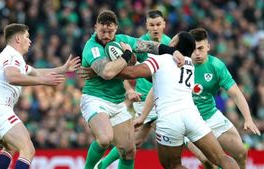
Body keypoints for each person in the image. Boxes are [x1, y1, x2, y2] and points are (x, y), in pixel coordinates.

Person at [119, 31, 240, 169]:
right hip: (192, 116)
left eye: (173, 39)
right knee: (221, 157)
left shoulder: (161, 59)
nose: (169, 41)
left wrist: (126, 55)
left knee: (172, 165)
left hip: (169, 119)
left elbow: (132, 73)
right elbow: (158, 82)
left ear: (175, 44)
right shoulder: (189, 64)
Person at [79, 10, 184, 169]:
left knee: (129, 151)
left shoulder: (122, 39)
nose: (106, 35)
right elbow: (107, 73)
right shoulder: (92, 46)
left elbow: (150, 46)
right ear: (95, 27)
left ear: (116, 28)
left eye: (110, 31)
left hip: (117, 103)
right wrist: (127, 54)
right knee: (105, 139)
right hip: (95, 99)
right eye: (102, 31)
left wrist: (173, 51)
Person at [0, 23, 80, 169]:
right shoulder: (12, 55)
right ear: (18, 39)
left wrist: (63, 69)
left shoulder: (13, 58)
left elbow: (37, 72)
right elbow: (12, 77)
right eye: (27, 37)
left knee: (11, 148)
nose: (30, 41)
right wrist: (43, 82)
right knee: (28, 150)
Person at [183, 28, 261, 169]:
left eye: (201, 48)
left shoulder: (216, 66)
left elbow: (236, 93)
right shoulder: (180, 65)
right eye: (193, 49)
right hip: (187, 121)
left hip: (210, 115)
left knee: (241, 153)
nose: (197, 53)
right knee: (209, 162)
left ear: (208, 47)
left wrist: (248, 119)